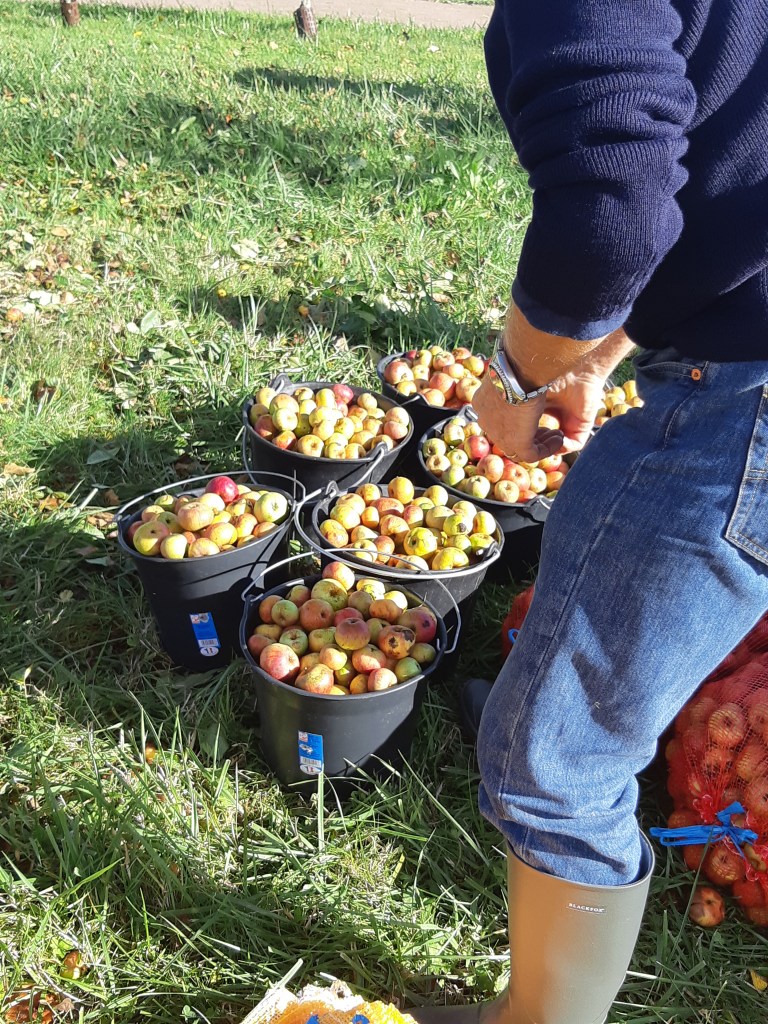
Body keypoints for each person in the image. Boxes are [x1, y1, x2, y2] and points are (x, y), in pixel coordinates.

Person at [412, 3, 768, 1023]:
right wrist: (601, 353)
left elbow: (613, 204)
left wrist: (518, 375)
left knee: (551, 759)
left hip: (744, 401)